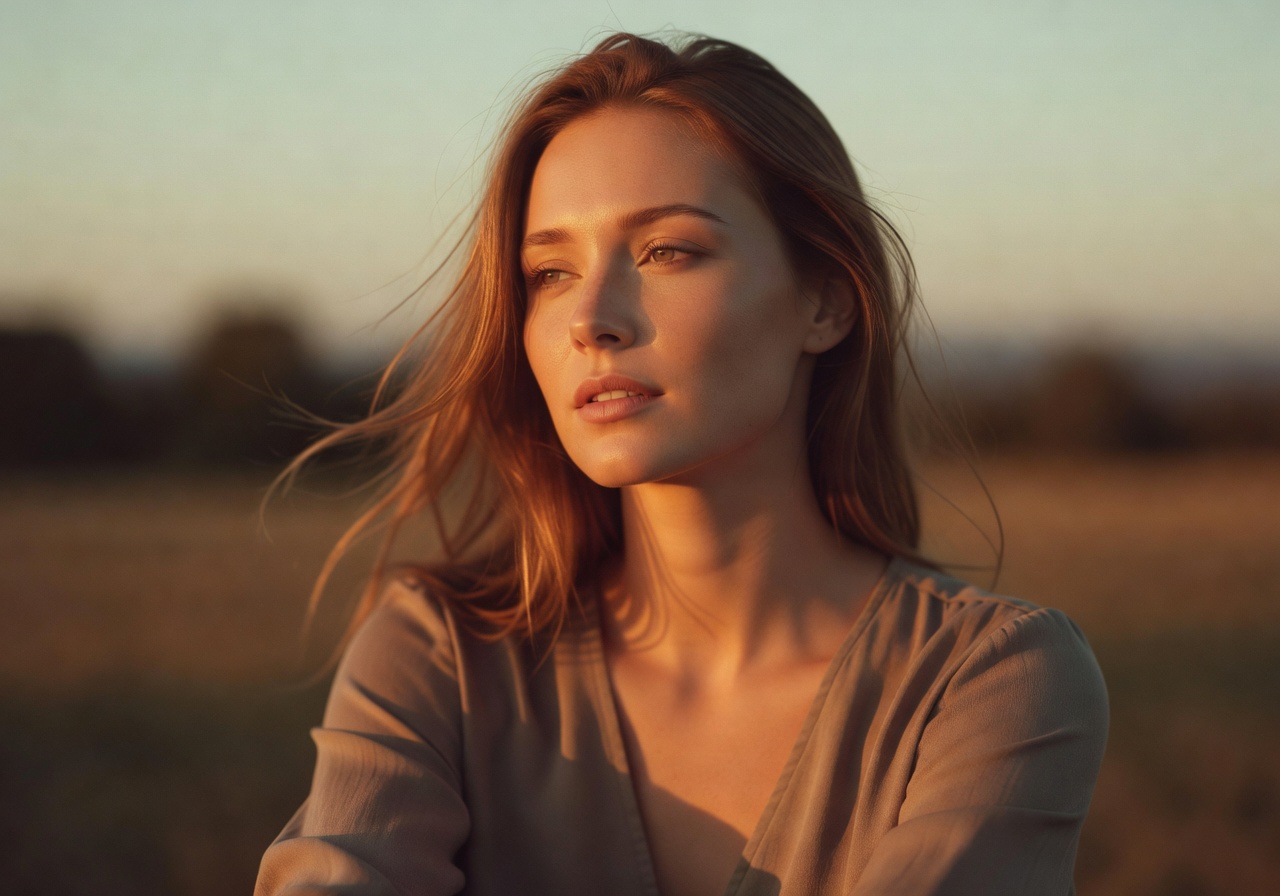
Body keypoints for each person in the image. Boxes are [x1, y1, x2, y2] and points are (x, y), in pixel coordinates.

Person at [255, 32, 1108, 896]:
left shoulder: (988, 679)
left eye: (667, 251)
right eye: (550, 271)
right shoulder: (441, 658)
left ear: (827, 301)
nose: (592, 318)